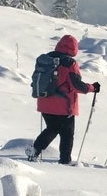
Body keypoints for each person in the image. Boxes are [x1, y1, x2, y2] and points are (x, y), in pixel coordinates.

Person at [27, 35, 97, 164]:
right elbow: (76, 86)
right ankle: (65, 161)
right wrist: (92, 88)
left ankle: (35, 149)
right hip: (64, 106)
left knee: (52, 128)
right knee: (67, 134)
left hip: (44, 101)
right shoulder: (70, 63)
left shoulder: (46, 59)